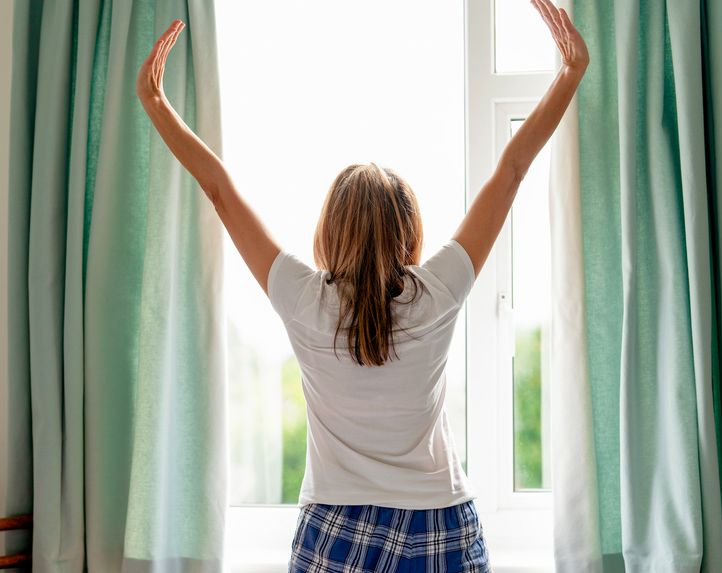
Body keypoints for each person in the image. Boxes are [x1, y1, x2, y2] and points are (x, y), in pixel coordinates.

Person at [136, 0, 588, 570]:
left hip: (336, 526)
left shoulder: (303, 299)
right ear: (409, 230)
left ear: (330, 229)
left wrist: (156, 104)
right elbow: (513, 168)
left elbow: (220, 188)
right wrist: (569, 73)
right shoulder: (436, 292)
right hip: (440, 524)